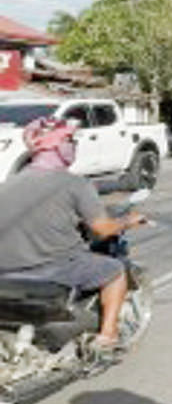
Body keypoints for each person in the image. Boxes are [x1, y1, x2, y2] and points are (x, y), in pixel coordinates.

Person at [0, 117, 145, 351]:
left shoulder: (8, 183)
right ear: (56, 146)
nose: (74, 146)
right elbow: (102, 229)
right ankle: (108, 336)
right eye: (70, 140)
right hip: (51, 268)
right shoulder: (74, 184)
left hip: (6, 269)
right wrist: (129, 220)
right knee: (115, 271)